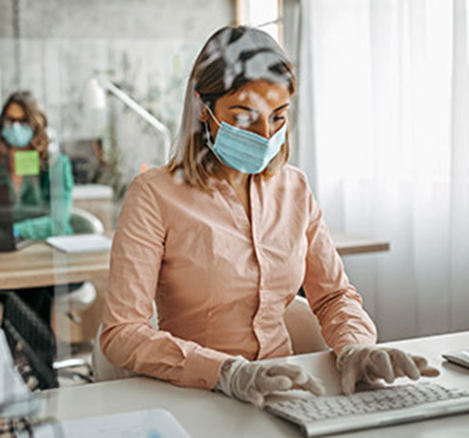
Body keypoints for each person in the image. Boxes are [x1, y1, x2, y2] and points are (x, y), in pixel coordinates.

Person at [100, 26, 439, 407]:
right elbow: (121, 332)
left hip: (289, 392)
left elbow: (333, 296)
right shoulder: (154, 194)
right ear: (202, 110)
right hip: (197, 395)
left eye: (278, 117)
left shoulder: (294, 188)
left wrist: (355, 347)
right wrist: (228, 372)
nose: (265, 134)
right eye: (246, 117)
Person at [0, 91, 74, 324]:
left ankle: (32, 358)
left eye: (23, 121)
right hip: (7, 257)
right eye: (10, 120)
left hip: (47, 256)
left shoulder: (53, 164)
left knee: (32, 291)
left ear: (36, 125)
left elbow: (59, 222)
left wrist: (16, 231)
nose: (16, 127)